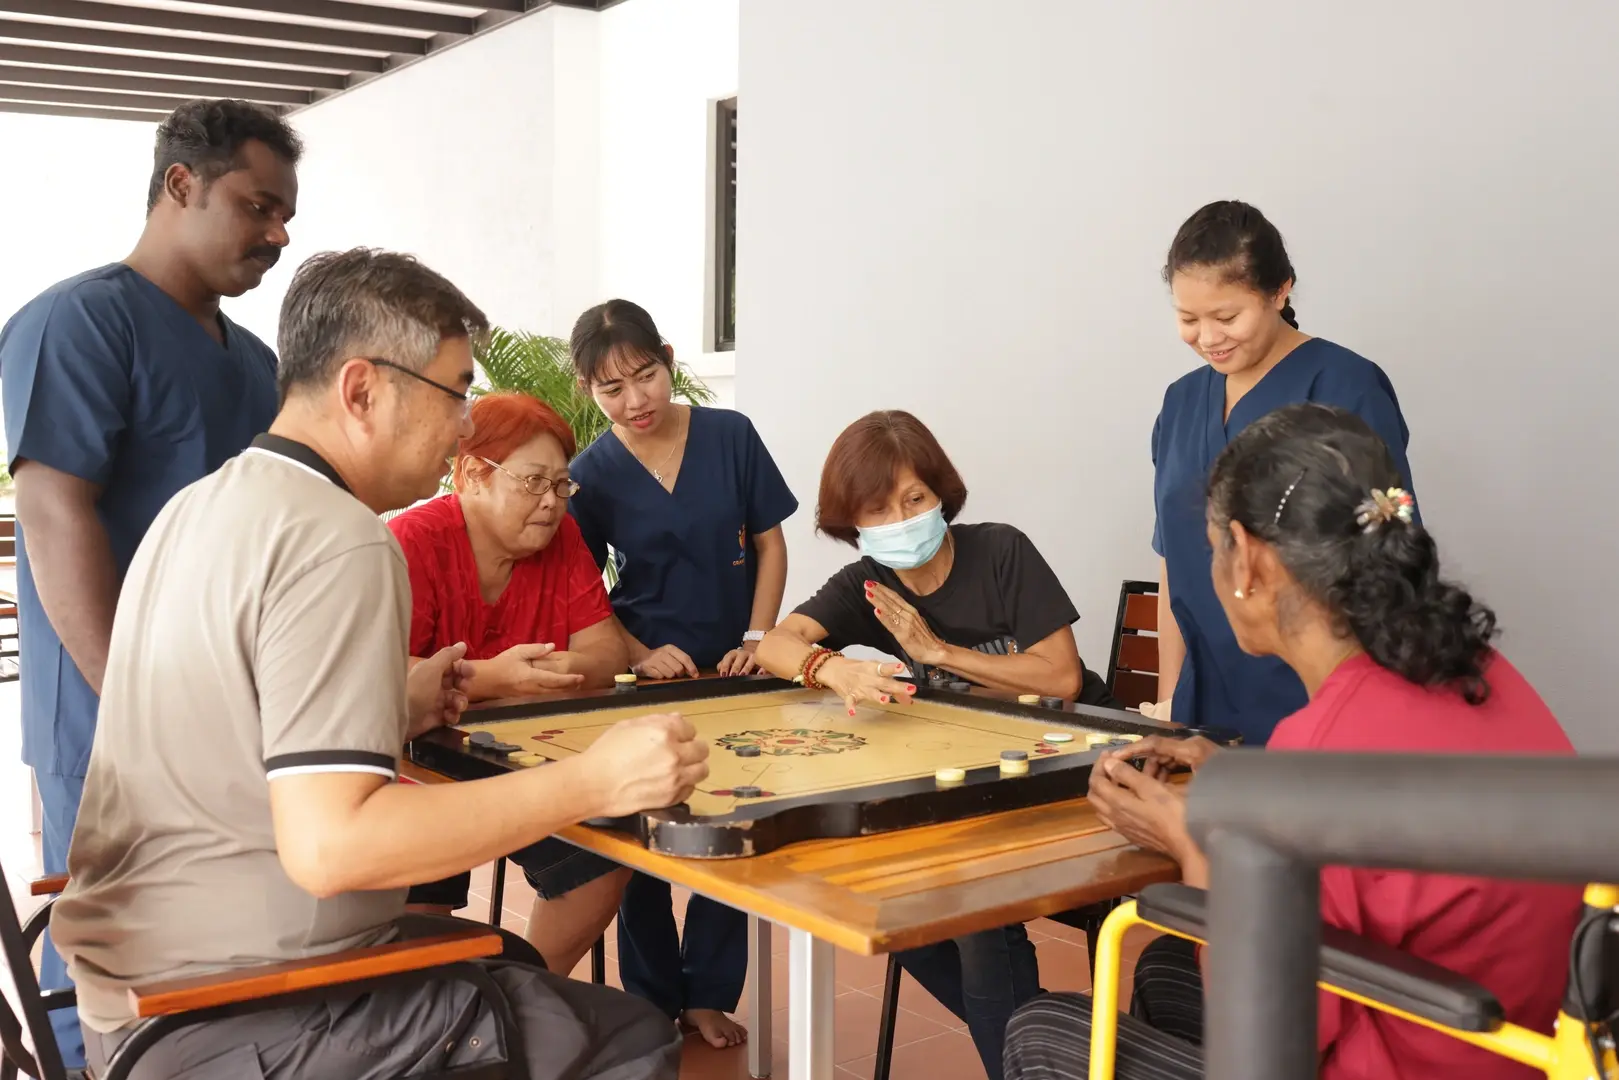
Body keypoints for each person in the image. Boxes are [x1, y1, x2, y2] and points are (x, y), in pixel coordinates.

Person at [49, 248, 701, 1080]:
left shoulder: (201, 506)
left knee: (512, 961)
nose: (464, 424)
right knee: (632, 1036)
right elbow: (334, 850)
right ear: (363, 390)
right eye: (455, 392)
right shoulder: (340, 537)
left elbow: (231, 715)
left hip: (132, 990)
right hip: (234, 1006)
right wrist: (594, 782)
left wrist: (394, 700)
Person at [1001, 403, 1582, 1080]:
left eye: (1213, 547)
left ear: (1246, 558)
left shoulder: (1319, 752)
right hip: (1527, 1050)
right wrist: (1242, 783)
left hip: (1381, 1056)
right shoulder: (1479, 670)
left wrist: (1197, 842)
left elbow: (1274, 1045)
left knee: (1041, 1028)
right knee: (1164, 965)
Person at [0, 98, 300, 1072]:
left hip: (237, 721)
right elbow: (54, 520)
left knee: (223, 970)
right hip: (113, 725)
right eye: (258, 206)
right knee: (119, 985)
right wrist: (142, 709)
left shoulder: (257, 367)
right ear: (182, 186)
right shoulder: (76, 324)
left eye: (285, 213)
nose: (278, 233)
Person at [756, 409, 1118, 1080]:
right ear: (852, 523)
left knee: (976, 915)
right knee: (893, 911)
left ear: (940, 494)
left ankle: (1032, 1049)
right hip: (983, 777)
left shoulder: (1000, 551)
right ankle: (1042, 1041)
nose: (900, 519)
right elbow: (777, 643)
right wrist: (832, 668)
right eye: (877, 508)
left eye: (913, 499)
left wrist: (936, 651)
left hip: (1077, 766)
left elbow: (1059, 677)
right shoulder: (869, 583)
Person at [562, 299, 799, 1047]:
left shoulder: (729, 436)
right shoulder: (589, 475)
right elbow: (580, 588)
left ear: (668, 360)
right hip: (647, 680)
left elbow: (769, 544)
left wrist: (759, 638)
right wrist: (633, 652)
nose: (635, 401)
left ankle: (706, 995)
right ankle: (650, 999)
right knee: (641, 842)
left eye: (645, 376)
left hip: (736, 669)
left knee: (730, 827)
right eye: (611, 389)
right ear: (586, 391)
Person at [1146, 199, 1416, 746]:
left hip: (1318, 701)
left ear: (1279, 291)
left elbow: (1389, 558)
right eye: (1187, 319)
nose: (1208, 337)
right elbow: (1173, 560)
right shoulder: (1180, 403)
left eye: (1226, 317)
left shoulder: (1346, 387)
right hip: (1203, 703)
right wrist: (1172, 694)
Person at [393, 390, 633, 976]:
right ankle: (446, 1020)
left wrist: (475, 677)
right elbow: (382, 675)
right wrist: (495, 677)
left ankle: (525, 1000)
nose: (551, 503)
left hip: (525, 759)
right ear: (473, 474)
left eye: (561, 485)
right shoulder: (411, 541)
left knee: (604, 858)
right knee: (419, 908)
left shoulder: (563, 540)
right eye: (533, 482)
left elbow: (605, 651)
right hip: (417, 767)